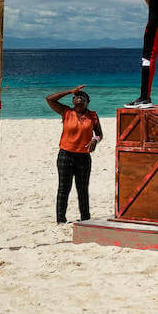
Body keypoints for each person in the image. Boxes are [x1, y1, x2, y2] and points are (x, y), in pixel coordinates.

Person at [46, 85, 103, 223]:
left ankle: (85, 218)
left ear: (87, 101)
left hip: (83, 157)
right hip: (65, 155)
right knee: (64, 188)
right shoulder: (66, 112)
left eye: (82, 97)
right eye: (76, 96)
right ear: (73, 101)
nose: (79, 98)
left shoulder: (92, 116)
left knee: (82, 189)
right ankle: (61, 220)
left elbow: (99, 134)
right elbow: (49, 99)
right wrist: (70, 91)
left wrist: (95, 140)